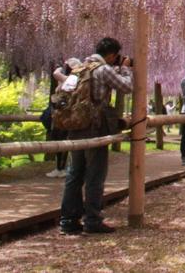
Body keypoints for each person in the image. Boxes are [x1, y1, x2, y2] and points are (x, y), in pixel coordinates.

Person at [59, 37, 132, 235]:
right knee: (95, 175)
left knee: (74, 174)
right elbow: (126, 87)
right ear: (112, 55)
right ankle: (92, 220)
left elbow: (65, 91)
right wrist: (125, 68)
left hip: (75, 126)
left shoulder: (79, 68)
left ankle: (68, 221)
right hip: (95, 126)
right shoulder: (104, 69)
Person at [46, 57, 82, 178]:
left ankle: (62, 168)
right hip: (60, 114)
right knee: (58, 139)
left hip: (65, 114)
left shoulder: (71, 79)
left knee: (62, 139)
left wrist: (60, 64)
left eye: (67, 66)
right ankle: (60, 167)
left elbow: (56, 73)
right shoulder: (67, 80)